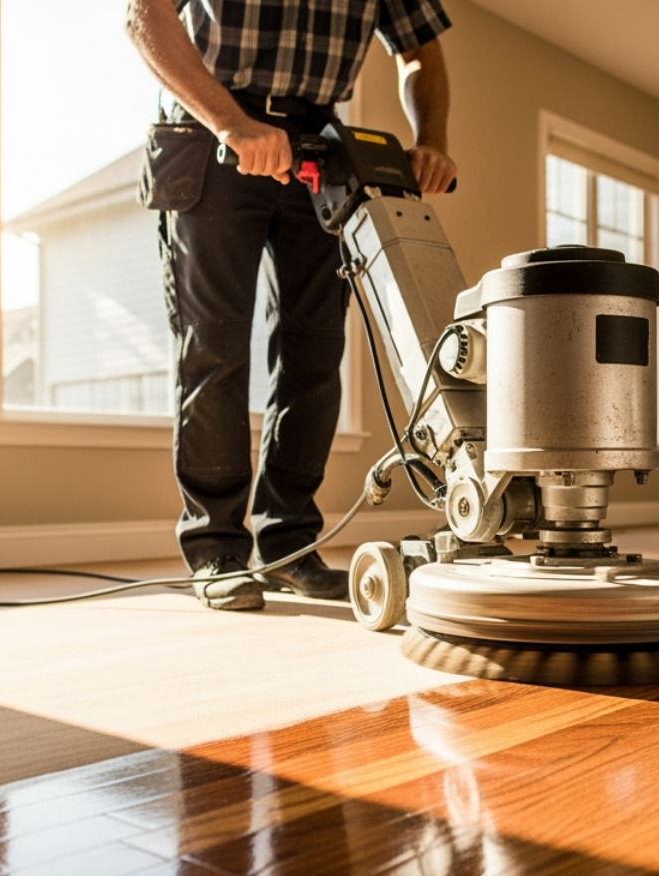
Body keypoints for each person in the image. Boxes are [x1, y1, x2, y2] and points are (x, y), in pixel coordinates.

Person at [125, 0, 456, 611]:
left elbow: (419, 50)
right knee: (215, 345)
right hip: (212, 128)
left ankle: (288, 544)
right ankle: (217, 548)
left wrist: (430, 139)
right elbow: (145, 16)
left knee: (316, 349)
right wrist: (229, 122)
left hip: (320, 146)